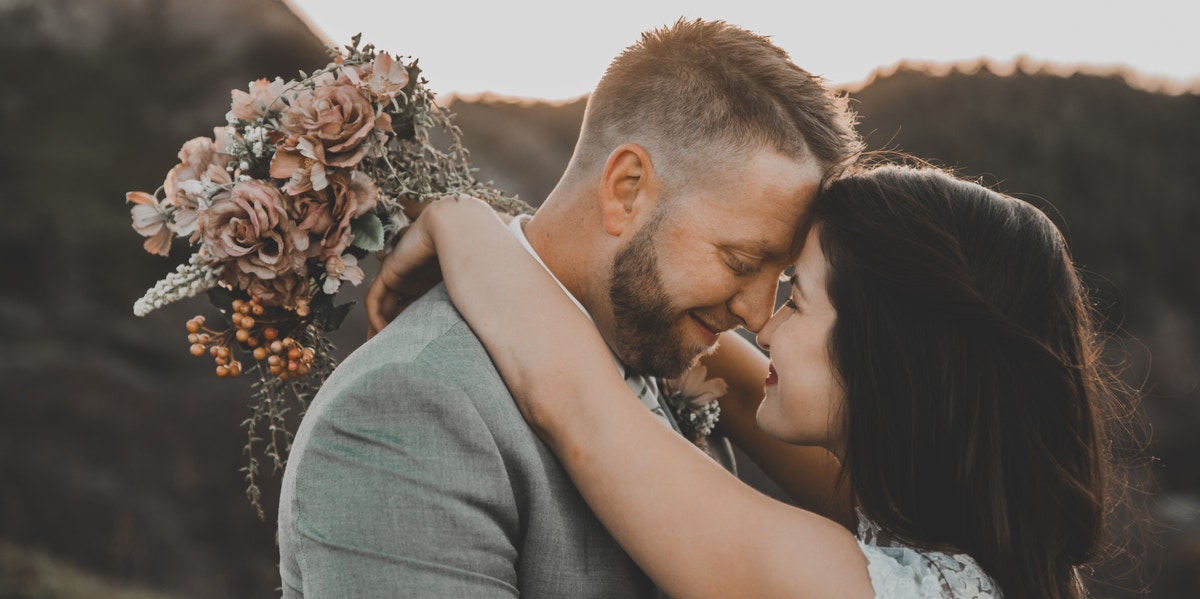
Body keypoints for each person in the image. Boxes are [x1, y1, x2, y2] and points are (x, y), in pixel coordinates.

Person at [277, 18, 861, 597]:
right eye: (738, 261)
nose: (760, 316)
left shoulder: (661, 342)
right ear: (626, 188)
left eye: (782, 277)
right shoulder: (408, 407)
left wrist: (469, 225)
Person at [365, 164, 1137, 598]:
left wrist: (460, 215)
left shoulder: (837, 587)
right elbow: (706, 355)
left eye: (794, 295)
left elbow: (575, 402)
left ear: (885, 353)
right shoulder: (998, 552)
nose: (760, 325)